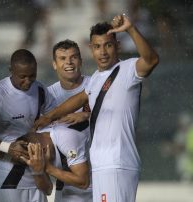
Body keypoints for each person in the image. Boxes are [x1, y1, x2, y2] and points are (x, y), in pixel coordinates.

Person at [34, 14, 159, 202]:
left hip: (117, 163)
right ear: (91, 49)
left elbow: (151, 60)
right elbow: (80, 98)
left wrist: (130, 29)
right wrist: (49, 117)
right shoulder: (96, 78)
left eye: (108, 45)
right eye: (98, 46)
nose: (103, 52)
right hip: (101, 166)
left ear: (117, 46)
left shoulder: (127, 70)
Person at [0, 49, 56, 202]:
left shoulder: (40, 90)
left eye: (32, 76)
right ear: (11, 71)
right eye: (22, 77)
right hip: (4, 177)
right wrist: (6, 149)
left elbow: (55, 120)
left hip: (35, 173)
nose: (28, 81)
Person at [47, 39, 93, 202]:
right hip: (66, 185)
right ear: (54, 64)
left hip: (100, 178)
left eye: (73, 57)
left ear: (80, 60)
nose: (69, 62)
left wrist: (88, 116)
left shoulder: (96, 85)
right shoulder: (48, 96)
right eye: (63, 58)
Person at [21, 124, 91, 202]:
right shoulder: (33, 150)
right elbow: (47, 191)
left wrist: (47, 167)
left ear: (43, 150)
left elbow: (83, 182)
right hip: (66, 192)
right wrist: (37, 172)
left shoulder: (66, 139)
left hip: (93, 187)